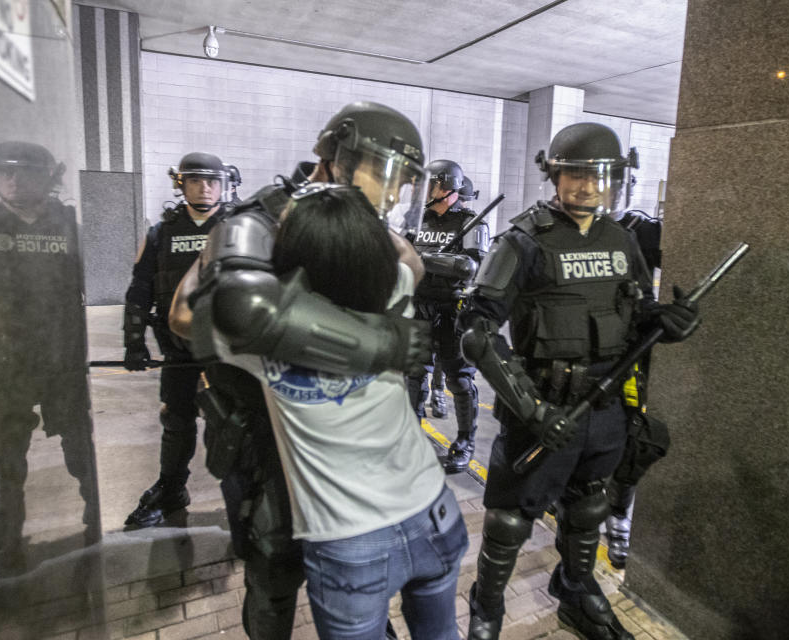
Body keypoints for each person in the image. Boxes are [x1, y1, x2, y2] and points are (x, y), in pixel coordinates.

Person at [168, 101, 432, 640]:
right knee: (274, 574)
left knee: (363, 566)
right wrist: (368, 339)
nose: (396, 194)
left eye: (405, 183)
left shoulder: (369, 226)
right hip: (266, 433)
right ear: (336, 157)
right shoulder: (258, 220)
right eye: (389, 176)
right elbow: (185, 315)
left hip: (342, 435)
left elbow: (412, 266)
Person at [457, 122, 699, 640]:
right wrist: (532, 410)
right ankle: (487, 607)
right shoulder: (522, 241)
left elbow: (638, 316)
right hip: (542, 407)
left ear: (615, 180)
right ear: (555, 174)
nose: (587, 186)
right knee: (510, 521)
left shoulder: (623, 241)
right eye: (575, 174)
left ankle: (576, 591)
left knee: (589, 503)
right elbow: (475, 331)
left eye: (599, 176)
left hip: (605, 407)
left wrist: (669, 323)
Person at [205, 184, 468, 639]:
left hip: (350, 541)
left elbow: (181, 313)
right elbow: (411, 259)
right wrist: (362, 221)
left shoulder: (259, 333)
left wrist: (243, 228)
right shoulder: (394, 294)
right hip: (432, 509)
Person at [0, 141, 100, 577]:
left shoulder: (67, 224)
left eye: (26, 171)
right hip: (1, 366)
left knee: (81, 448)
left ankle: (96, 519)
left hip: (60, 359)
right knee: (5, 459)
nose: (13, 179)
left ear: (49, 177)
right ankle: (5, 544)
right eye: (4, 171)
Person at [122, 152, 231, 528]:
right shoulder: (161, 232)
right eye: (197, 180)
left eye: (213, 181)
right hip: (178, 351)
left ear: (225, 184)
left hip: (227, 354)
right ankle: (172, 488)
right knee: (177, 421)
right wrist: (133, 343)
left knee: (232, 424)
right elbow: (139, 291)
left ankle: (241, 492)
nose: (206, 187)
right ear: (180, 183)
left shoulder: (239, 230)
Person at [408, 159, 490, 472]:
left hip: (453, 313)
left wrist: (421, 258)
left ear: (446, 186)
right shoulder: (419, 220)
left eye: (429, 183)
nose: (422, 189)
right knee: (414, 376)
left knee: (459, 380)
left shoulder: (471, 222)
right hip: (420, 308)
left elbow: (468, 267)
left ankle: (465, 440)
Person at [604, 208, 665, 569]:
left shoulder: (638, 229)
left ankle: (617, 515)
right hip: (578, 353)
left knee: (633, 436)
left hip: (630, 354)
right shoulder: (553, 230)